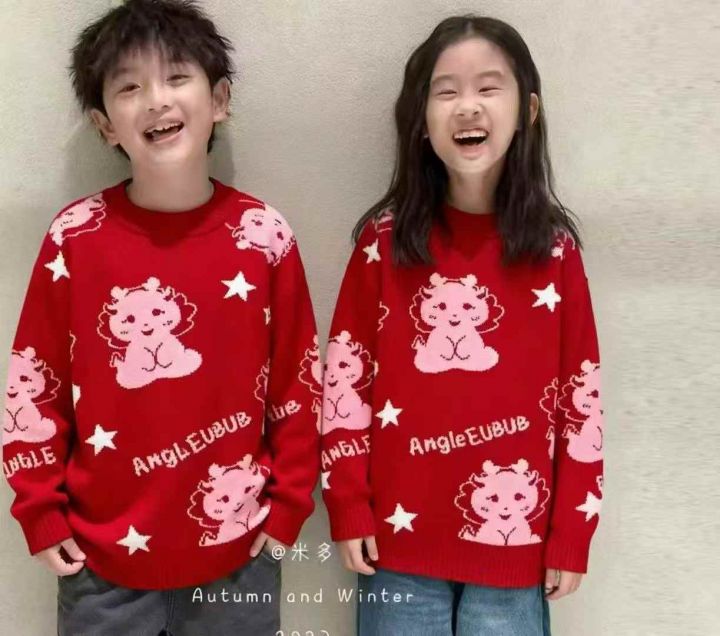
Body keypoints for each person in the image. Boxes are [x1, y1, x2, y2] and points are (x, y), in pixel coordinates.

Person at [1, 1, 319, 634]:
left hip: (239, 556)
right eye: (129, 87)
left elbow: (301, 382)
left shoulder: (264, 236)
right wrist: (39, 510)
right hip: (99, 565)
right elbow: (33, 386)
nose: (156, 100)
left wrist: (288, 507)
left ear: (219, 98)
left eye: (176, 76)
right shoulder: (74, 237)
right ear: (104, 125)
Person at [320, 15, 604, 636]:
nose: (467, 106)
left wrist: (573, 530)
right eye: (445, 91)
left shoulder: (555, 252)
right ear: (420, 120)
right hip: (396, 545)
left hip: (516, 547)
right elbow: (344, 382)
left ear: (528, 110)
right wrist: (346, 503)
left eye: (488, 87)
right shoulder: (382, 243)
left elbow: (581, 400)